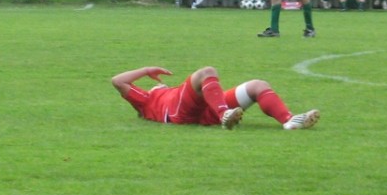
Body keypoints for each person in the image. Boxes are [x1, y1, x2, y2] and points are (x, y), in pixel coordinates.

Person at [111, 65, 320, 130]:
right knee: (206, 72)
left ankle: (288, 120)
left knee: (258, 85)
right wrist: (147, 70)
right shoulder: (147, 100)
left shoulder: (165, 92)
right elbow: (118, 81)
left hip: (205, 111)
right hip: (176, 112)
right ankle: (223, 114)